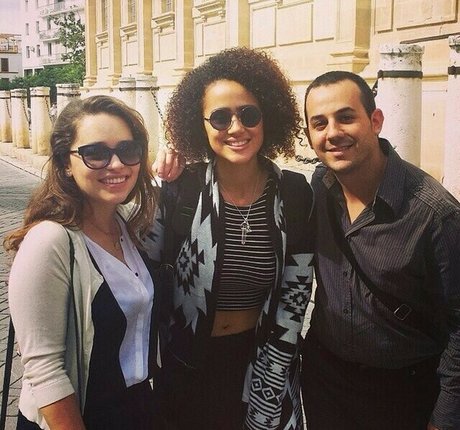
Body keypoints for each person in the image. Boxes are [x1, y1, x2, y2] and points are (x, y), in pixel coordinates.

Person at [145, 47, 315, 430]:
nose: (236, 128)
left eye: (249, 114)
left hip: (263, 365)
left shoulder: (293, 193)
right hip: (186, 368)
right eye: (220, 117)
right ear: (201, 125)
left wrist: (275, 374)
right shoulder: (181, 189)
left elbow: (296, 293)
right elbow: (141, 270)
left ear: (267, 117)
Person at [301, 70, 460, 430]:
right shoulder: (319, 188)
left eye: (346, 117)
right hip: (327, 383)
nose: (333, 133)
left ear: (375, 121)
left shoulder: (435, 215)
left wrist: (446, 417)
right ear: (309, 136)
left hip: (403, 393)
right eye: (319, 123)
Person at [5, 95, 160, 430]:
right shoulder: (49, 241)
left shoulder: (128, 226)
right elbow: (45, 371)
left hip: (135, 408)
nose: (116, 164)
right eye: (96, 153)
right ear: (66, 163)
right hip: (77, 417)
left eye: (128, 150)